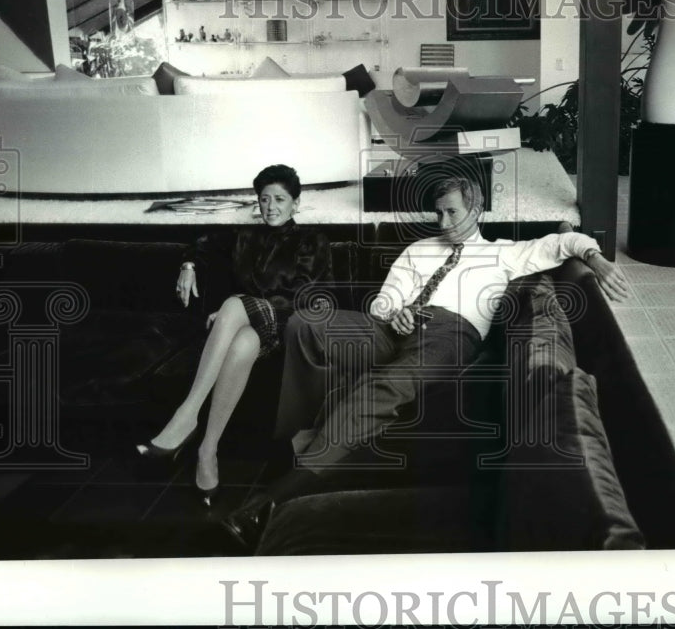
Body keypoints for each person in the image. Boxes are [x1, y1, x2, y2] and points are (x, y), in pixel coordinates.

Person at [221, 175, 629, 549]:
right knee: (305, 324)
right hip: (393, 330)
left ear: (476, 209)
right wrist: (391, 312)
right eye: (439, 212)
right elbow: (385, 298)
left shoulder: (506, 254)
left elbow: (565, 242)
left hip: (450, 334)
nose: (444, 221)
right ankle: (300, 437)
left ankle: (270, 498)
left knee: (380, 389)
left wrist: (597, 260)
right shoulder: (419, 249)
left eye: (452, 211)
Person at [135, 164, 331, 507]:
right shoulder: (245, 238)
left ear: (296, 204)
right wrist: (189, 265)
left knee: (232, 305)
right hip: (254, 331)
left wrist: (242, 304)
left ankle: (185, 417)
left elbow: (306, 295)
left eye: (280, 199)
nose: (271, 206)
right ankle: (207, 451)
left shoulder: (311, 240)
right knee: (242, 342)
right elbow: (203, 241)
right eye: (264, 199)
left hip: (293, 323)